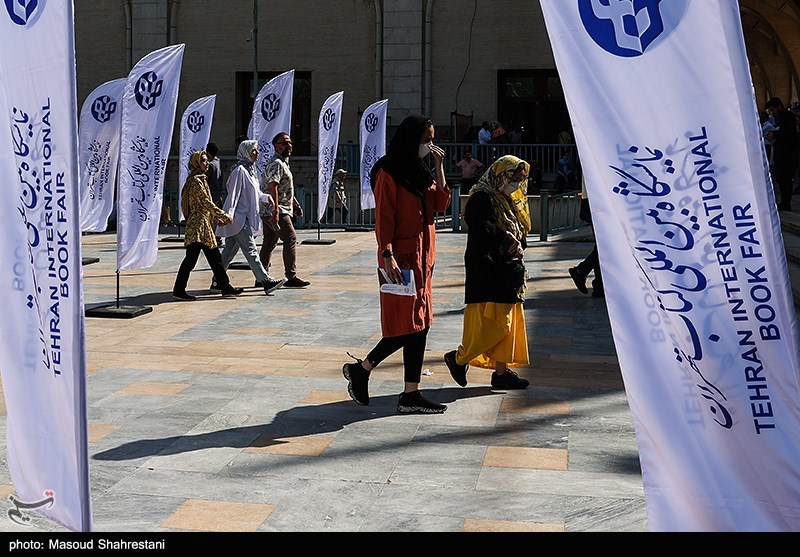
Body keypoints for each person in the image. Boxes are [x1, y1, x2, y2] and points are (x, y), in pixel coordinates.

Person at [342, 114, 451, 414]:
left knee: (421, 324)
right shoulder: (388, 172)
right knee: (407, 325)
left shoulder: (420, 171)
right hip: (399, 259)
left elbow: (441, 204)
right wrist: (386, 253)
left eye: (432, 140)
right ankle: (366, 370)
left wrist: (440, 168)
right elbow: (384, 218)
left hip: (423, 258)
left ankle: (406, 391)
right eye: (425, 140)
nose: (429, 146)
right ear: (410, 139)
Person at [443, 155, 531, 390]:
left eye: (519, 178)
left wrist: (517, 243)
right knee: (494, 325)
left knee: (508, 324)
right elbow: (482, 228)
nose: (516, 183)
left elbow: (518, 230)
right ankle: (458, 358)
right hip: (488, 270)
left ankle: (501, 373)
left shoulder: (508, 200)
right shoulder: (481, 198)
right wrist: (506, 238)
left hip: (508, 270)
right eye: (512, 177)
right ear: (499, 175)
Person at [214, 139, 285, 295]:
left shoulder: (250, 170)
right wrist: (228, 215)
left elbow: (255, 193)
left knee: (229, 251)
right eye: (253, 150)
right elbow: (233, 195)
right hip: (238, 218)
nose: (257, 153)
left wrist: (266, 197)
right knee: (251, 250)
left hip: (244, 217)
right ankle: (265, 281)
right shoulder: (239, 171)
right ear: (246, 152)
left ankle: (217, 280)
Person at [172, 151, 244, 301]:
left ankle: (225, 287)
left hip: (203, 224)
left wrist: (216, 218)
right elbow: (205, 202)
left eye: (206, 160)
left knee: (214, 258)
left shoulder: (200, 179)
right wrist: (222, 215)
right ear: (196, 163)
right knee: (192, 260)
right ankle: (179, 290)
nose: (207, 163)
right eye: (203, 161)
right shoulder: (196, 181)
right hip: (198, 226)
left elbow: (205, 204)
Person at [259, 132, 311, 288]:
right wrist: (275, 211)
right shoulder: (276, 163)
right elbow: (272, 186)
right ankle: (291, 276)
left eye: (289, 143)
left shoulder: (283, 163)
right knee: (290, 238)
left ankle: (261, 276)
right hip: (276, 210)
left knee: (269, 242)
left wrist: (296, 205)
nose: (288, 146)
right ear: (276, 146)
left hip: (275, 209)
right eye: (284, 143)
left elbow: (285, 188)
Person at [569, 176, 603, 298]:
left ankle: (599, 285)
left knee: (602, 245)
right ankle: (582, 271)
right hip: (597, 201)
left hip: (594, 200)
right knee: (605, 245)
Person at [766, 96, 798, 211]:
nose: (773, 113)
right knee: (781, 178)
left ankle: (786, 202)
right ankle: (784, 202)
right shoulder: (780, 118)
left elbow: (788, 133)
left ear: (779, 106)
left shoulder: (788, 116)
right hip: (780, 153)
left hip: (786, 154)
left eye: (773, 110)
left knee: (785, 179)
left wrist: (774, 135)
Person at [205, 142, 225, 207]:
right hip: (218, 195)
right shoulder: (219, 162)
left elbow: (204, 179)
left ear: (208, 152)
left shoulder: (210, 165)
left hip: (211, 196)